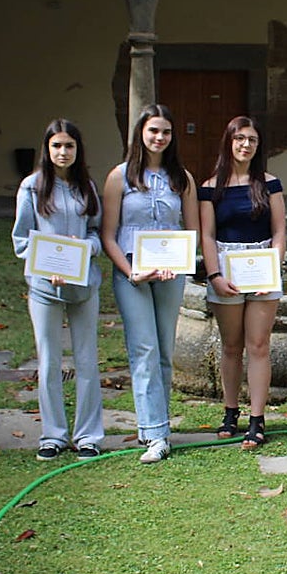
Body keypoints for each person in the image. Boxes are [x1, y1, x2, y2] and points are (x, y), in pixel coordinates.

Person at [102, 104, 199, 464]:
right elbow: (108, 234)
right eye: (153, 130)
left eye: (166, 132)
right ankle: (156, 434)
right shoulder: (119, 177)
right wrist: (130, 271)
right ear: (140, 133)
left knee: (164, 351)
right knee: (143, 349)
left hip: (170, 275)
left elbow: (191, 230)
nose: (159, 137)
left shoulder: (182, 178)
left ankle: (157, 424)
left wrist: (181, 263)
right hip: (133, 274)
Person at [12, 119, 106, 460]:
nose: (63, 152)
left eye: (69, 146)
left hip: (83, 286)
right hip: (44, 287)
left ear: (78, 149)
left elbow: (96, 232)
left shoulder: (87, 187)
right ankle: (52, 435)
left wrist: (85, 249)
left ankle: (88, 436)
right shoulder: (32, 187)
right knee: (49, 360)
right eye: (56, 146)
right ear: (47, 149)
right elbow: (22, 239)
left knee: (87, 359)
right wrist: (46, 264)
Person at [199, 116, 286, 450]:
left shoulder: (270, 183)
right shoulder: (210, 187)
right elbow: (207, 235)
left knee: (259, 345)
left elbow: (279, 231)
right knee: (231, 346)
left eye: (252, 139)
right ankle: (230, 411)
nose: (246, 145)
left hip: (262, 269)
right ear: (229, 142)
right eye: (240, 139)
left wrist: (272, 272)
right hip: (227, 270)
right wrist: (214, 276)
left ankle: (257, 419)